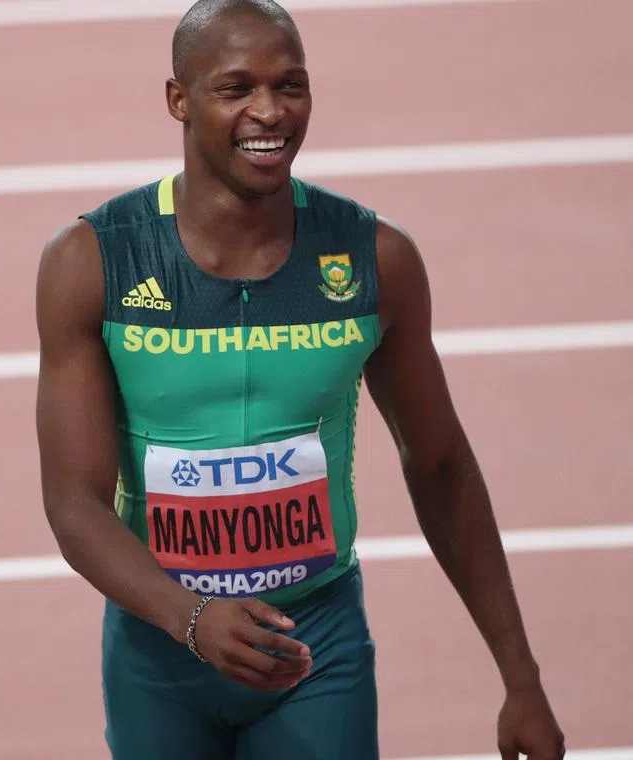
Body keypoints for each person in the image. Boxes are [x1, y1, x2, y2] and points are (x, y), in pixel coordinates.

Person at [34, 0, 565, 757]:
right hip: (161, 650)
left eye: (291, 85)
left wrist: (521, 677)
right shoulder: (93, 263)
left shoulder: (376, 260)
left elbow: (442, 466)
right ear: (178, 100)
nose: (269, 111)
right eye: (236, 87)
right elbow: (74, 504)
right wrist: (190, 617)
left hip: (315, 645)